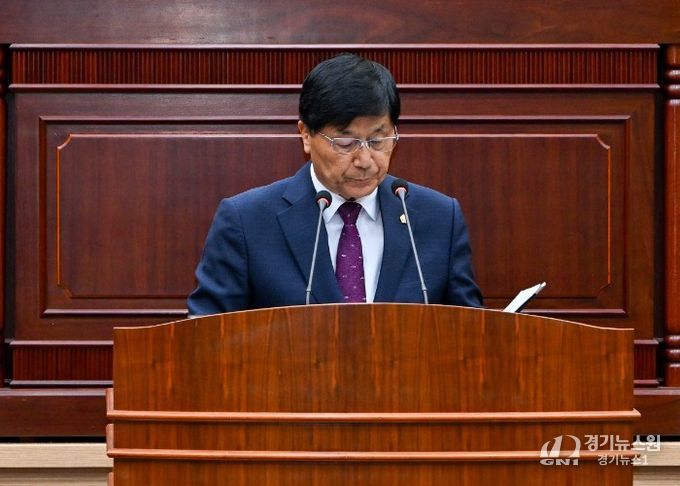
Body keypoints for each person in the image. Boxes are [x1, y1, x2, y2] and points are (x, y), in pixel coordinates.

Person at [187, 53, 482, 315]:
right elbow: (207, 336)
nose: (365, 159)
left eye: (378, 140)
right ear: (305, 135)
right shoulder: (246, 221)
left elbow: (471, 334)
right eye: (345, 142)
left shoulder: (439, 218)